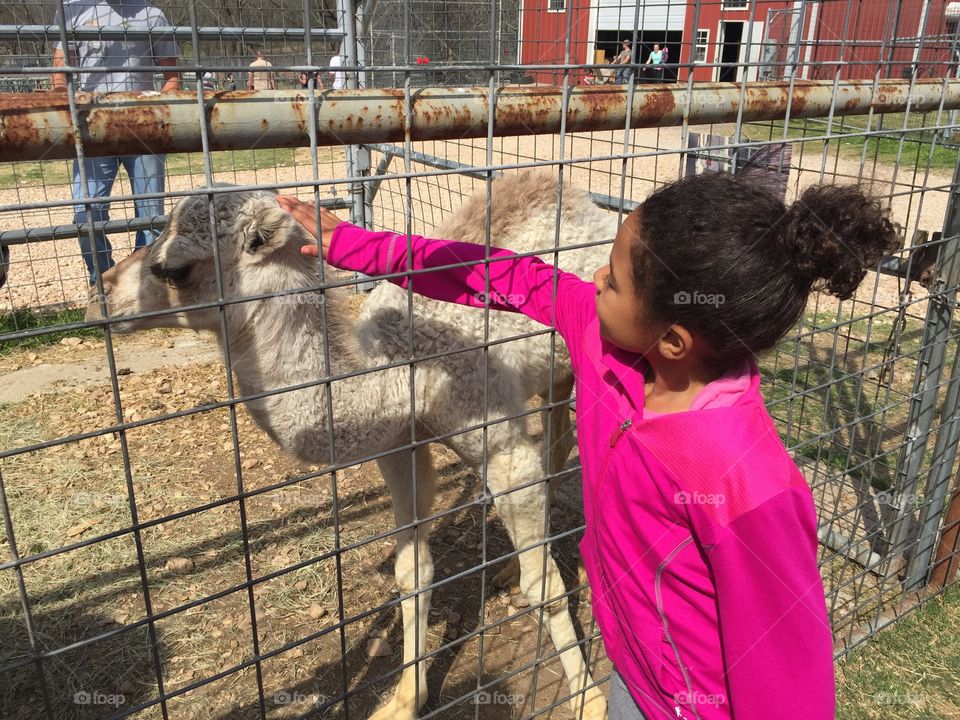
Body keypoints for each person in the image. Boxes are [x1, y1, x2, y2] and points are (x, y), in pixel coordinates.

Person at [278, 173, 900, 720]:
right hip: (630, 670)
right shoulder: (598, 333)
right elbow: (509, 277)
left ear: (675, 340)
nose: (594, 276)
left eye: (616, 278)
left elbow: (787, 680)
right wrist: (357, 246)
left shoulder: (750, 486)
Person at [52, 0, 180, 285]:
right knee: (86, 212)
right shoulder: (72, 11)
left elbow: (172, 77)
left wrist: (161, 111)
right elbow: (60, 77)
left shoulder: (152, 15)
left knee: (150, 214)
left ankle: (143, 282)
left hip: (143, 127)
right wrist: (65, 109)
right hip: (91, 128)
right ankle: (103, 280)